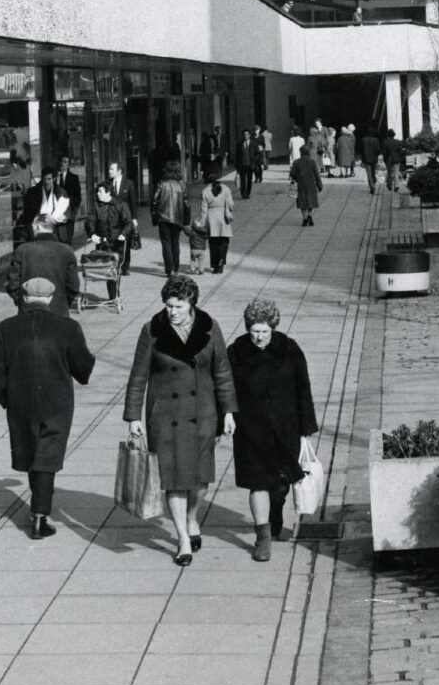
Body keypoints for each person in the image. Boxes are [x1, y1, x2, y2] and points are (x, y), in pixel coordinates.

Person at [123, 277, 237, 566]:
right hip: (165, 416)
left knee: (200, 480)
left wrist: (228, 412)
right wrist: (133, 416)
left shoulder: (210, 328)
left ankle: (191, 517)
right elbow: (138, 376)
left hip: (203, 413)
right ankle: (183, 539)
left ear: (192, 303)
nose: (172, 311)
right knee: (173, 479)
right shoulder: (152, 330)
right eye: (168, 305)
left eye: (178, 305)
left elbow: (222, 371)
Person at [0, 276, 95, 539]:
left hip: (21, 401)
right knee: (47, 454)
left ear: (24, 298)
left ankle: (38, 509)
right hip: (57, 401)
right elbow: (83, 367)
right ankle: (39, 515)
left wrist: (6, 399)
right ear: (49, 298)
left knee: (31, 451)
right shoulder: (68, 327)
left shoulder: (5, 328)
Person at [227, 298, 319, 562]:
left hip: (284, 427)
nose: (259, 337)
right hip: (250, 429)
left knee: (280, 485)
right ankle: (262, 538)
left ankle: (276, 514)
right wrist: (228, 416)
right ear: (248, 329)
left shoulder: (289, 349)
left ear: (273, 328)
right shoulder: (236, 352)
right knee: (257, 484)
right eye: (254, 331)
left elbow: (303, 388)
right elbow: (226, 388)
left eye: (264, 332)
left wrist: (305, 427)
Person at [6, 225, 80, 316]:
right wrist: (65, 303)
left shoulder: (22, 250)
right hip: (59, 309)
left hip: (27, 309)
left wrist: (20, 301)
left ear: (36, 227)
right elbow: (73, 285)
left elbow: (12, 283)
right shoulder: (66, 250)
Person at [84, 179, 134, 303]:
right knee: (106, 268)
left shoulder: (120, 205)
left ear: (108, 193)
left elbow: (128, 222)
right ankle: (113, 296)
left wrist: (123, 234)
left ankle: (114, 296)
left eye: (100, 191)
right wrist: (92, 234)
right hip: (102, 243)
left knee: (115, 268)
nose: (98, 194)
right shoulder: (96, 206)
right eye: (97, 191)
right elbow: (89, 221)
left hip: (117, 243)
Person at [152, 161, 189, 278]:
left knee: (166, 243)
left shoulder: (161, 184)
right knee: (175, 242)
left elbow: (154, 201)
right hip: (177, 217)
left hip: (163, 217)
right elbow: (186, 203)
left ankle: (169, 268)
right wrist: (186, 220)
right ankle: (176, 267)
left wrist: (154, 217)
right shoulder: (181, 185)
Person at [199, 174, 234, 273]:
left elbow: (204, 210)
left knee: (213, 241)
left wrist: (202, 224)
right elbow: (231, 205)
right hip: (223, 217)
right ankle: (221, 260)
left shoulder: (205, 192)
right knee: (224, 240)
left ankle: (215, 265)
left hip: (211, 217)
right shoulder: (226, 189)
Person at [23, 166, 70, 239]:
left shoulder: (61, 193)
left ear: (54, 179)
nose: (46, 182)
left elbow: (66, 211)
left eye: (49, 179)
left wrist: (52, 220)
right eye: (44, 179)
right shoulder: (32, 192)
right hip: (37, 229)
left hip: (56, 230)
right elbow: (27, 211)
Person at [107, 160, 139, 251]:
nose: (109, 171)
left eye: (111, 169)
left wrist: (134, 218)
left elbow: (133, 202)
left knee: (125, 244)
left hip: (125, 218)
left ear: (119, 171)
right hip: (112, 219)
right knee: (113, 244)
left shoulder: (129, 183)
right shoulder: (108, 183)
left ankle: (125, 263)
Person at [53, 155, 82, 250]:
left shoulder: (73, 178)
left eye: (65, 162)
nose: (62, 163)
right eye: (61, 161)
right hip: (54, 215)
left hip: (68, 214)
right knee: (56, 241)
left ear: (68, 165)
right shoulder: (52, 177)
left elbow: (78, 197)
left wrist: (73, 213)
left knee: (67, 241)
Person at [290, 146, 321, 227]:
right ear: (308, 153)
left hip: (301, 184)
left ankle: (305, 218)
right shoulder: (312, 162)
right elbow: (317, 175)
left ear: (301, 153)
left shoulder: (296, 162)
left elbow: (292, 174)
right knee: (311, 200)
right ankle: (310, 215)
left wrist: (295, 177)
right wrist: (319, 184)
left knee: (302, 201)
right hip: (311, 184)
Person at [235, 129, 257, 199]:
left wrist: (255, 161)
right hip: (242, 165)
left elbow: (257, 153)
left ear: (249, 135)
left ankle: (248, 193)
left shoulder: (253, 143)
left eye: (247, 134)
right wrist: (237, 167)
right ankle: (243, 194)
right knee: (243, 180)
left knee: (249, 180)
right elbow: (237, 156)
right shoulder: (239, 144)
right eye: (244, 134)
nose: (245, 136)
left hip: (250, 165)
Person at [360, 129, 381, 194]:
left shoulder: (363, 140)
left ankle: (372, 186)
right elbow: (378, 150)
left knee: (369, 173)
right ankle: (373, 183)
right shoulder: (376, 140)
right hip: (374, 159)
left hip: (366, 159)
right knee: (373, 173)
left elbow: (361, 150)